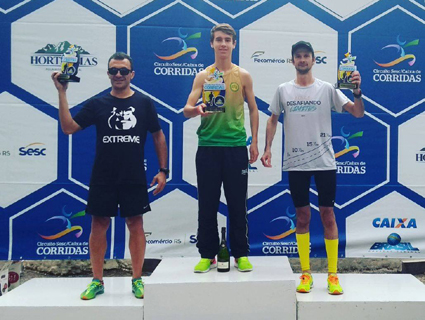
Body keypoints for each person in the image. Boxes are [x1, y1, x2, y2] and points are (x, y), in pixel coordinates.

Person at [51, 52, 168, 300]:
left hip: (134, 175)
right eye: (114, 70)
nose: (118, 75)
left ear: (131, 75)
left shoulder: (144, 103)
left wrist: (163, 170)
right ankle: (97, 281)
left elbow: (158, 135)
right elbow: (68, 127)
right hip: (103, 175)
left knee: (136, 225)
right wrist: (62, 92)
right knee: (98, 225)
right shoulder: (98, 104)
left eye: (123, 71)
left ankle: (137, 279)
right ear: (108, 74)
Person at [260, 41, 364, 295]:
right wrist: (267, 148)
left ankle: (332, 275)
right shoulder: (283, 90)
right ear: (292, 61)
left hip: (325, 163)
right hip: (296, 164)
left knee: (328, 215)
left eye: (307, 56)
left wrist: (358, 92)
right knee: (303, 217)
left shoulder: (327, 89)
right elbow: (272, 120)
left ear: (314, 60)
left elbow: (358, 114)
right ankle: (305, 274)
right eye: (298, 56)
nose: (303, 60)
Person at [183, 23, 259, 273]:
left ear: (234, 44)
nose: (223, 44)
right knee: (207, 204)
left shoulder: (243, 75)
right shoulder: (203, 76)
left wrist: (255, 142)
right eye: (219, 39)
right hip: (208, 147)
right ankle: (208, 254)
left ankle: (241, 254)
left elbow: (254, 109)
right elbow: (187, 109)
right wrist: (196, 110)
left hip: (236, 147)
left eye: (228, 39)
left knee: (238, 204)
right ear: (211, 44)